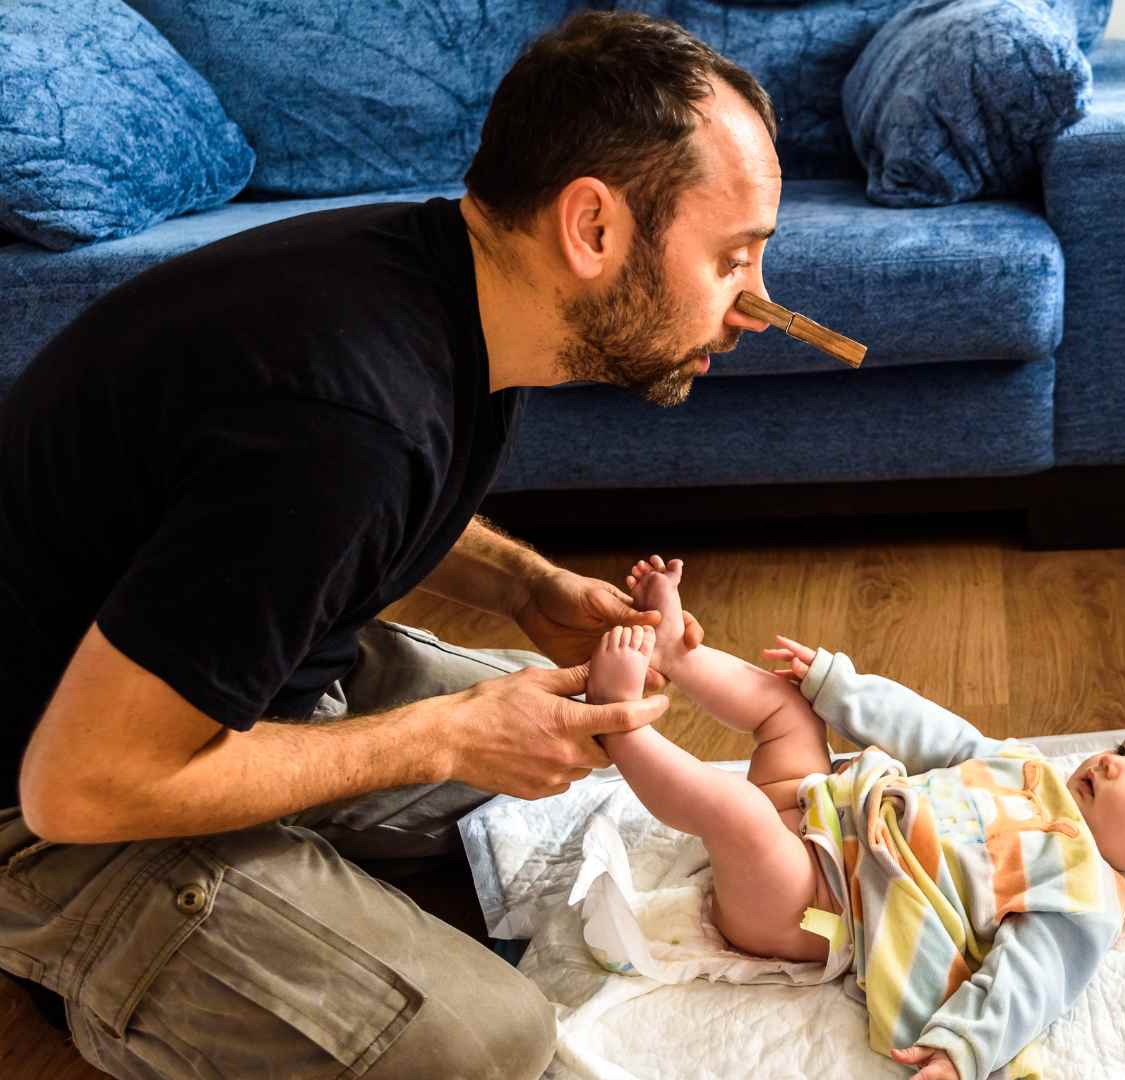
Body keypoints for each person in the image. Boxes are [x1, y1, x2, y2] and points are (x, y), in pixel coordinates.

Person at [0, 12, 779, 1078]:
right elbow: (75, 785)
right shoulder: (342, 417)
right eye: (734, 260)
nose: (755, 310)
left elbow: (346, 498)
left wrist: (526, 582)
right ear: (594, 227)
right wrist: (442, 739)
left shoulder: (442, 290)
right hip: (52, 795)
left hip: (209, 675)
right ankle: (86, 975)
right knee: (486, 1046)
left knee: (579, 748)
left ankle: (294, 879)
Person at [587, 556, 1125, 1080]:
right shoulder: (1029, 770)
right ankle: (680, 652)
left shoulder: (1087, 890)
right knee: (787, 710)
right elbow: (937, 733)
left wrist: (964, 1047)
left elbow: (1030, 982)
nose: (1114, 761)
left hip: (814, 904)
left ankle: (621, 728)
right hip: (820, 804)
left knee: (733, 808)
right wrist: (839, 687)